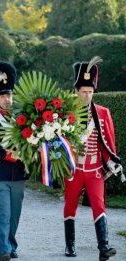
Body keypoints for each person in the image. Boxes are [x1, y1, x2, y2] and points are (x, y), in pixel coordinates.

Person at [63, 56, 122, 261]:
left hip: (95, 169)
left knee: (99, 205)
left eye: (90, 92)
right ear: (76, 91)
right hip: (74, 169)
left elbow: (109, 142)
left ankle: (103, 247)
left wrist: (112, 163)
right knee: (70, 205)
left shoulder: (103, 113)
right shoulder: (67, 113)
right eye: (84, 91)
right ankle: (70, 245)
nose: (88, 95)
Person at [0, 62, 28, 261]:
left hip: (19, 172)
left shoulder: (23, 119)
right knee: (4, 211)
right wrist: (10, 154)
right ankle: (4, 249)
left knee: (15, 213)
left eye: (9, 95)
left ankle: (11, 242)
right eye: (2, 96)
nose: (7, 99)